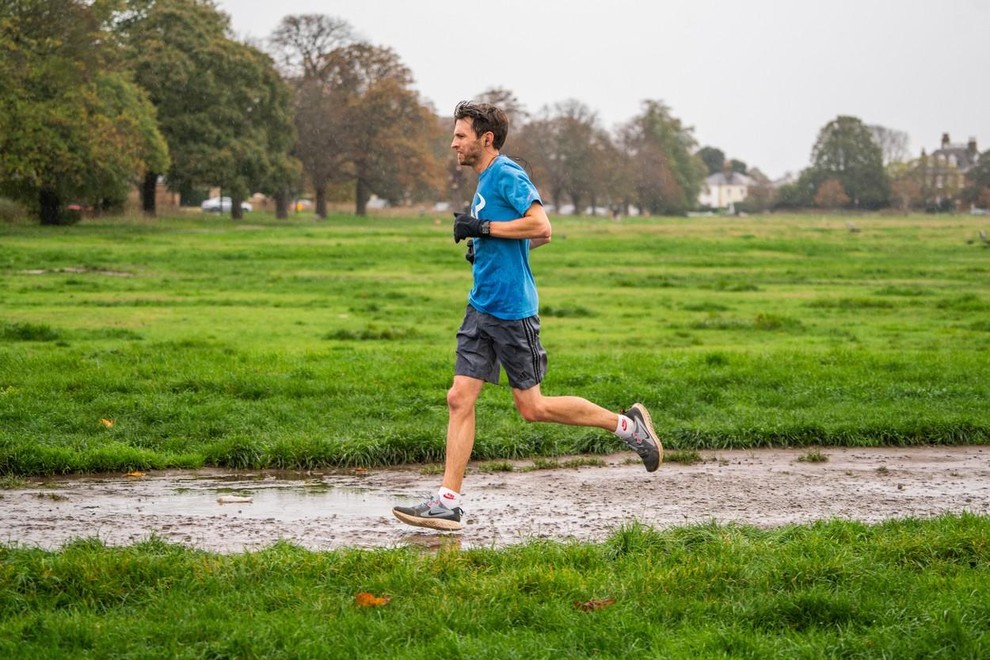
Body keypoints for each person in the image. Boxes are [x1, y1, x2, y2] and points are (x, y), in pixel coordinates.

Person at [392, 101, 661, 531]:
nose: (453, 143)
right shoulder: (485, 181)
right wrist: (486, 249)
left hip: (513, 312)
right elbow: (529, 239)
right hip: (480, 306)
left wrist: (484, 230)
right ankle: (447, 502)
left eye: (460, 135)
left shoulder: (506, 174)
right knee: (459, 398)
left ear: (486, 139)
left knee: (532, 408)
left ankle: (628, 427)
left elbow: (542, 227)